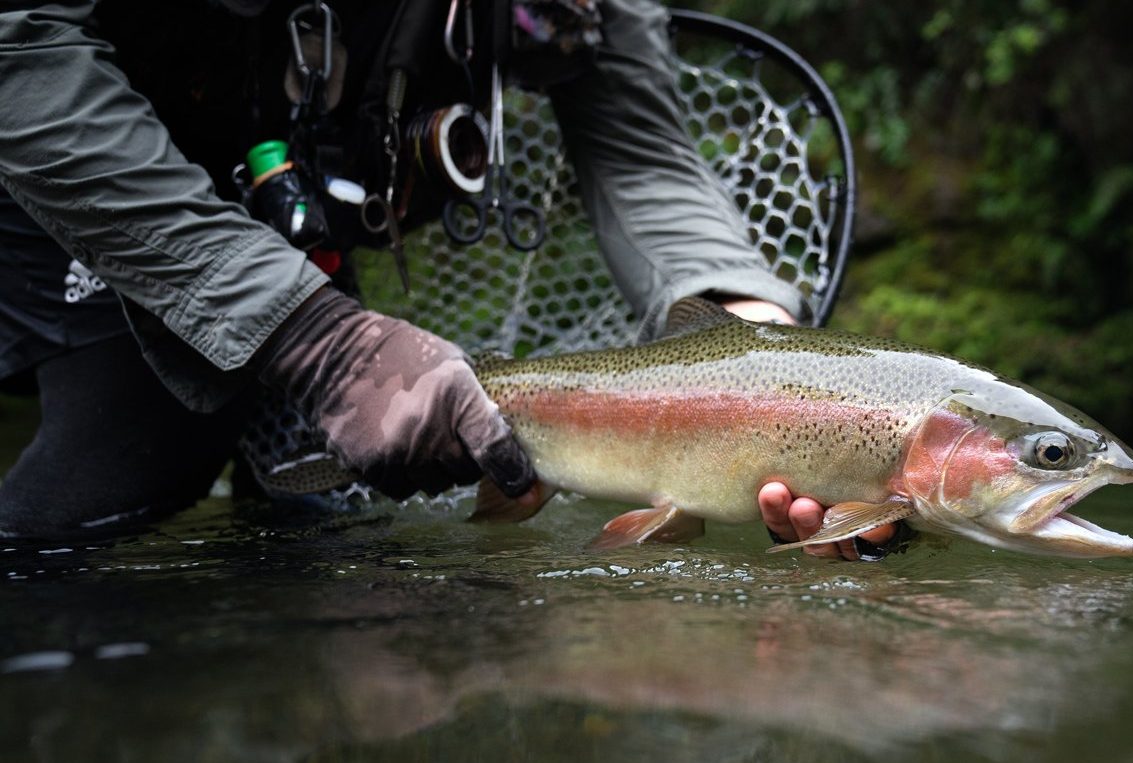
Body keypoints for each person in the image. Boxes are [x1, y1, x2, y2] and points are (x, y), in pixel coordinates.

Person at [0, 0, 904, 559]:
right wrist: (319, 340)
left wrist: (755, 342)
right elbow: (20, 52)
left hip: (296, 195)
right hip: (79, 164)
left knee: (323, 510)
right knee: (129, 475)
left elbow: (642, 153)